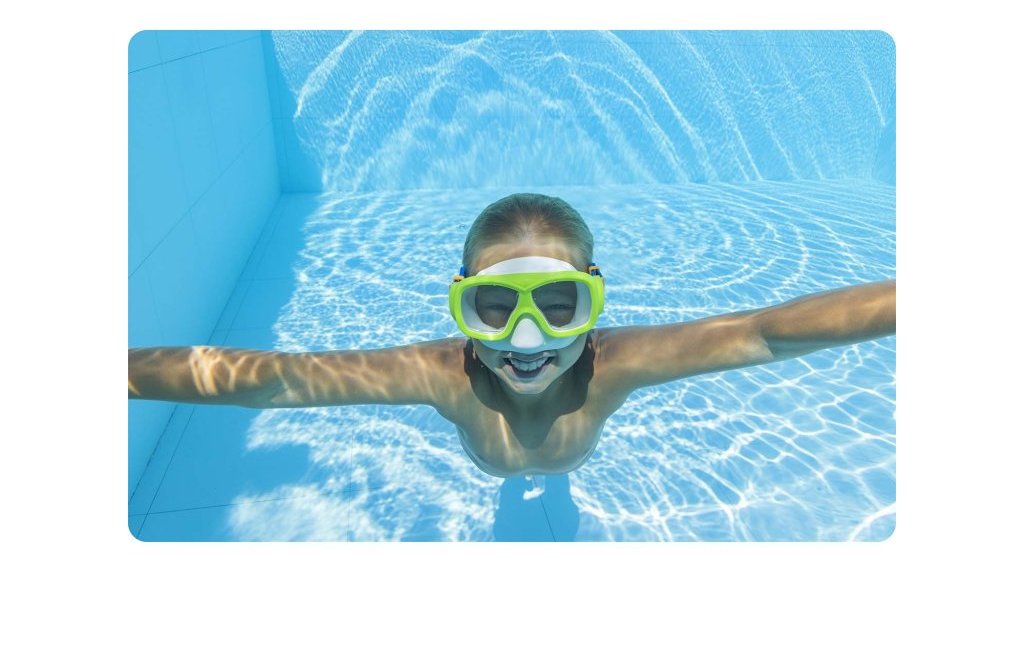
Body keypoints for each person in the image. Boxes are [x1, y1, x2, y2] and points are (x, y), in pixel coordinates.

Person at [129, 193, 896, 478]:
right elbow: (276, 379)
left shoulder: (619, 364)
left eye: (560, 306)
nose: (527, 341)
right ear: (459, 303)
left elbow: (764, 335)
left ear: (595, 300)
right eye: (494, 307)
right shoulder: (439, 374)